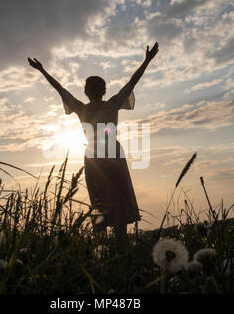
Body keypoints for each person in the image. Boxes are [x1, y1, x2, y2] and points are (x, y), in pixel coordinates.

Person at [28, 42, 159, 251]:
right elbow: (132, 82)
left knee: (100, 205)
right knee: (118, 204)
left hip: (94, 159)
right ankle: (121, 251)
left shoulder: (82, 109)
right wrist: (147, 60)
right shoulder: (112, 104)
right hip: (113, 156)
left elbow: (60, 89)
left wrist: (42, 70)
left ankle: (103, 253)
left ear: (87, 91)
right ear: (104, 90)